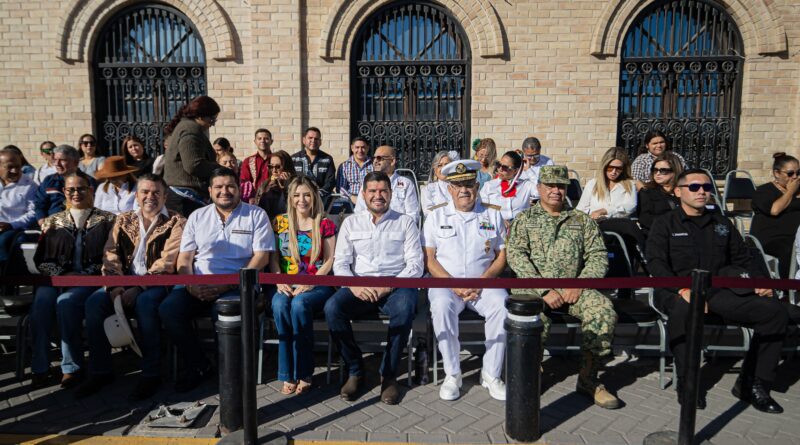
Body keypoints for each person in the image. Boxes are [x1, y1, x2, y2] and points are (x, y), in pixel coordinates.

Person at [647, 168, 788, 413]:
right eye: (694, 187)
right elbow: (656, 264)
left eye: (706, 187)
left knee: (773, 312)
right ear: (679, 191)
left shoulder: (722, 223)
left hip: (719, 291)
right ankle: (688, 383)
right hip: (675, 290)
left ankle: (753, 383)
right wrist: (681, 289)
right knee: (684, 310)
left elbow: (744, 258)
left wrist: (760, 281)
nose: (701, 191)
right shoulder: (665, 223)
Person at [506, 165, 620, 409]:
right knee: (533, 318)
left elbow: (598, 255)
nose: (556, 191)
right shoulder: (524, 220)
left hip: (574, 288)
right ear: (539, 188)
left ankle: (589, 380)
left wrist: (578, 285)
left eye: (561, 186)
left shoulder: (581, 221)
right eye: (550, 186)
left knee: (602, 311)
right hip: (534, 290)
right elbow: (516, 256)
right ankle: (529, 376)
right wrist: (543, 290)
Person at [159, 167, 274, 392]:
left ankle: (230, 372)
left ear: (239, 189)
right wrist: (192, 285)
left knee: (223, 311)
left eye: (230, 186)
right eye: (219, 187)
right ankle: (199, 366)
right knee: (168, 309)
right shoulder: (197, 217)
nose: (225, 191)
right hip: (198, 284)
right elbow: (185, 258)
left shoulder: (255, 215)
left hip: (237, 285)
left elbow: (261, 257)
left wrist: (231, 283)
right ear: (210, 191)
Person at [77, 174, 186, 401]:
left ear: (165, 196)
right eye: (145, 192)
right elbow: (111, 253)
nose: (150, 197)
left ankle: (150, 374)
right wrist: (116, 285)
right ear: (136, 196)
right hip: (122, 282)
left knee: (146, 304)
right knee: (94, 303)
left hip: (156, 284)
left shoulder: (177, 222)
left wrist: (138, 287)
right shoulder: (123, 219)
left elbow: (168, 261)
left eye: (156, 192)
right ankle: (101, 371)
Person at [325, 171, 423, 405]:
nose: (378, 196)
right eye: (372, 191)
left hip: (396, 284)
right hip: (360, 285)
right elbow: (340, 263)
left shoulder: (405, 222)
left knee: (405, 308)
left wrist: (389, 285)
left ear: (390, 194)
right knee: (332, 309)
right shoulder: (350, 222)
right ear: (363, 194)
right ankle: (355, 369)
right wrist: (355, 285)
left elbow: (416, 265)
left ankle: (388, 375)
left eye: (383, 191)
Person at [422, 160, 508, 401]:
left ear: (477, 186)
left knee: (503, 305)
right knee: (440, 306)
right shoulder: (435, 215)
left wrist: (483, 281)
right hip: (447, 285)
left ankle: (491, 374)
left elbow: (502, 255)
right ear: (449, 188)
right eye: (458, 185)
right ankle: (453, 374)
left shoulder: (492, 213)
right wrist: (454, 284)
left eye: (469, 184)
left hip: (484, 283)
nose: (464, 190)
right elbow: (429, 259)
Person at [28, 172, 116, 389]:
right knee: (40, 305)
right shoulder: (53, 221)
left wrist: (86, 274)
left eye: (81, 188)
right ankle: (40, 367)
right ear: (65, 192)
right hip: (57, 278)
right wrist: (60, 273)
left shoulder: (108, 220)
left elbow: (112, 255)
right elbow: (41, 258)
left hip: (90, 280)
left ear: (90, 190)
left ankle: (71, 367)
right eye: (71, 189)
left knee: (66, 303)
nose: (76, 193)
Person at [269, 176, 336, 395]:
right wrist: (279, 279)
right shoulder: (280, 222)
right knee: (280, 306)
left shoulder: (324, 223)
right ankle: (287, 373)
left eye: (307, 194)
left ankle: (305, 372)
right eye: (297, 195)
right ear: (290, 198)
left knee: (299, 306)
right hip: (286, 283)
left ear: (314, 196)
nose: (302, 200)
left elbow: (330, 260)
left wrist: (311, 282)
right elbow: (274, 259)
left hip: (317, 284)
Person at [162, 95, 222, 216]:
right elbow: (193, 165)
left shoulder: (186, 127)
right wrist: (219, 169)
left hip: (182, 196)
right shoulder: (191, 130)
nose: (212, 124)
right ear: (200, 116)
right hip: (185, 198)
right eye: (212, 119)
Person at [750, 152, 800, 278]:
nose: (795, 177)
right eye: (790, 174)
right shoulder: (764, 191)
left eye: (798, 173)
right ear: (777, 173)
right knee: (789, 251)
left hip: (796, 237)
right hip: (772, 239)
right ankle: (788, 289)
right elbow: (775, 210)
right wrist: (790, 192)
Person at [34, 145, 97, 227]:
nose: (57, 164)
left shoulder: (88, 181)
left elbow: (94, 206)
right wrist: (41, 220)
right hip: (52, 226)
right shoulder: (49, 181)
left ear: (75, 162)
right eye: (55, 160)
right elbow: (39, 205)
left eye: (62, 160)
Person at [354, 145, 420, 224]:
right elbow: (359, 211)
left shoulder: (406, 184)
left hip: (398, 231)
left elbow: (412, 214)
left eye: (379, 158)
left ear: (392, 161)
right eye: (374, 158)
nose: (375, 161)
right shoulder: (368, 182)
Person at [0, 148, 37, 270]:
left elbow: (33, 213)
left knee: (4, 241)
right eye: (9, 167)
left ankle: (5, 280)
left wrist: (11, 225)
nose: (15, 171)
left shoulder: (29, 185)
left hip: (16, 228)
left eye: (18, 167)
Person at [577, 147, 637, 219]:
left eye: (619, 168)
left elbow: (630, 207)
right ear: (604, 166)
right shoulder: (592, 184)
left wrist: (605, 211)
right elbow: (581, 209)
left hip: (618, 226)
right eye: (610, 168)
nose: (614, 172)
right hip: (595, 225)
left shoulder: (629, 185)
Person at [480, 151, 536, 222]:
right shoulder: (489, 186)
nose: (500, 169)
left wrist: (529, 170)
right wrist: (500, 220)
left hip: (520, 228)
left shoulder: (525, 185)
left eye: (504, 167)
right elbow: (483, 208)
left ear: (515, 170)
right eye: (499, 165)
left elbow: (540, 192)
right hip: (496, 227)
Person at [636, 153, 683, 236]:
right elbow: (645, 218)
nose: (657, 173)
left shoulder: (685, 190)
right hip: (658, 235)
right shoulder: (647, 191)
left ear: (675, 171)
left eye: (663, 170)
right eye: (655, 170)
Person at [291, 127, 336, 203]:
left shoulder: (327, 159)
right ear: (304, 140)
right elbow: (290, 181)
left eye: (316, 139)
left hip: (320, 201)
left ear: (320, 142)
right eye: (310, 138)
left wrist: (317, 195)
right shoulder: (294, 159)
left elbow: (330, 182)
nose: (313, 141)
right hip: (299, 201)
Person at [256, 150, 296, 220]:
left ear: (286, 167)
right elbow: (259, 207)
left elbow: (293, 207)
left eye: (278, 167)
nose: (274, 170)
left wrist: (287, 186)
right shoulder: (265, 184)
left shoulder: (296, 184)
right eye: (271, 166)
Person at [336, 137, 373, 205]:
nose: (360, 150)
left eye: (363, 147)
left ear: (368, 148)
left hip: (370, 201)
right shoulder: (344, 166)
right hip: (349, 202)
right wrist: (351, 197)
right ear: (352, 148)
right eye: (357, 147)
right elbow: (340, 188)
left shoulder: (374, 165)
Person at [240, 129, 273, 204]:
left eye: (266, 138)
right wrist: (250, 197)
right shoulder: (248, 161)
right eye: (259, 138)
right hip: (254, 200)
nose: (263, 141)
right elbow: (245, 182)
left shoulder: (277, 159)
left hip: (274, 198)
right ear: (255, 141)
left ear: (271, 141)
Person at [421, 150, 458, 216]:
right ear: (435, 170)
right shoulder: (427, 189)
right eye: (439, 165)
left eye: (446, 165)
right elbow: (428, 212)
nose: (443, 168)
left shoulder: (460, 187)